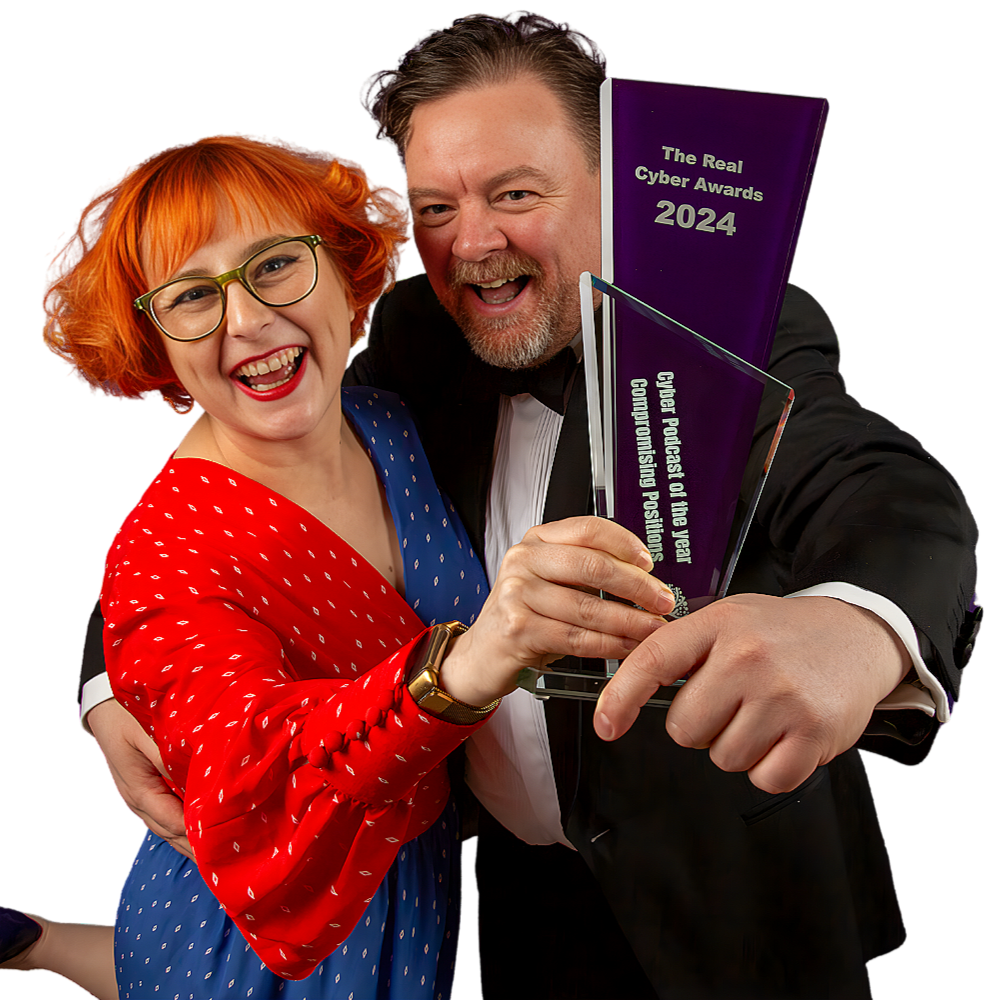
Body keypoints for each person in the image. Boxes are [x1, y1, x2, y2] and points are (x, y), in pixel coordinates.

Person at [78, 12, 982, 1000]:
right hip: (490, 904)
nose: (472, 242)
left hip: (734, 907)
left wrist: (857, 624)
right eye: (435, 206)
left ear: (610, 185)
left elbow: (880, 482)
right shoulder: (406, 336)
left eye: (514, 193)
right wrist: (108, 682)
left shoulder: (729, 327)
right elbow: (232, 485)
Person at [0, 133, 679, 999]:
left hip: (430, 888)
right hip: (254, 930)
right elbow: (253, 772)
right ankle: (23, 943)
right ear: (157, 343)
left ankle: (23, 936)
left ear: (341, 270)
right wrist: (466, 664)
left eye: (273, 267)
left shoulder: (389, 426)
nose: (248, 321)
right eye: (191, 296)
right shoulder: (161, 542)